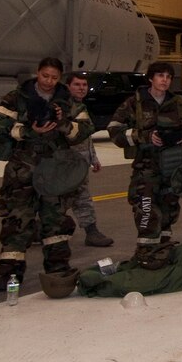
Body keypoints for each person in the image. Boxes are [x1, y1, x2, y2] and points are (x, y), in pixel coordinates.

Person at [0, 57, 94, 291]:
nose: (49, 81)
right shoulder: (18, 97)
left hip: (55, 169)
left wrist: (63, 123)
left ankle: (57, 268)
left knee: (55, 220)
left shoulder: (68, 101)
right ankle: (10, 273)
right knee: (17, 219)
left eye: (54, 78)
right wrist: (26, 131)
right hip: (22, 168)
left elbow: (85, 129)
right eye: (45, 76)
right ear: (38, 73)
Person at [107, 62, 182, 269]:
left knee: (169, 211)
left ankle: (164, 252)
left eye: (168, 76)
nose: (165, 80)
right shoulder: (135, 103)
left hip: (173, 166)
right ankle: (145, 255)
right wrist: (144, 136)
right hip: (146, 167)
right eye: (160, 76)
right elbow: (114, 131)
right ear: (151, 78)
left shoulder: (179, 103)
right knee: (147, 210)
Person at [66, 72, 114, 247]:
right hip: (66, 163)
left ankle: (91, 231)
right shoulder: (63, 107)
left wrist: (93, 157)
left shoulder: (80, 107)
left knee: (80, 195)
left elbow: (86, 136)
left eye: (84, 85)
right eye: (77, 85)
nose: (81, 88)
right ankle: (91, 231)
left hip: (81, 162)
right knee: (77, 197)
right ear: (68, 87)